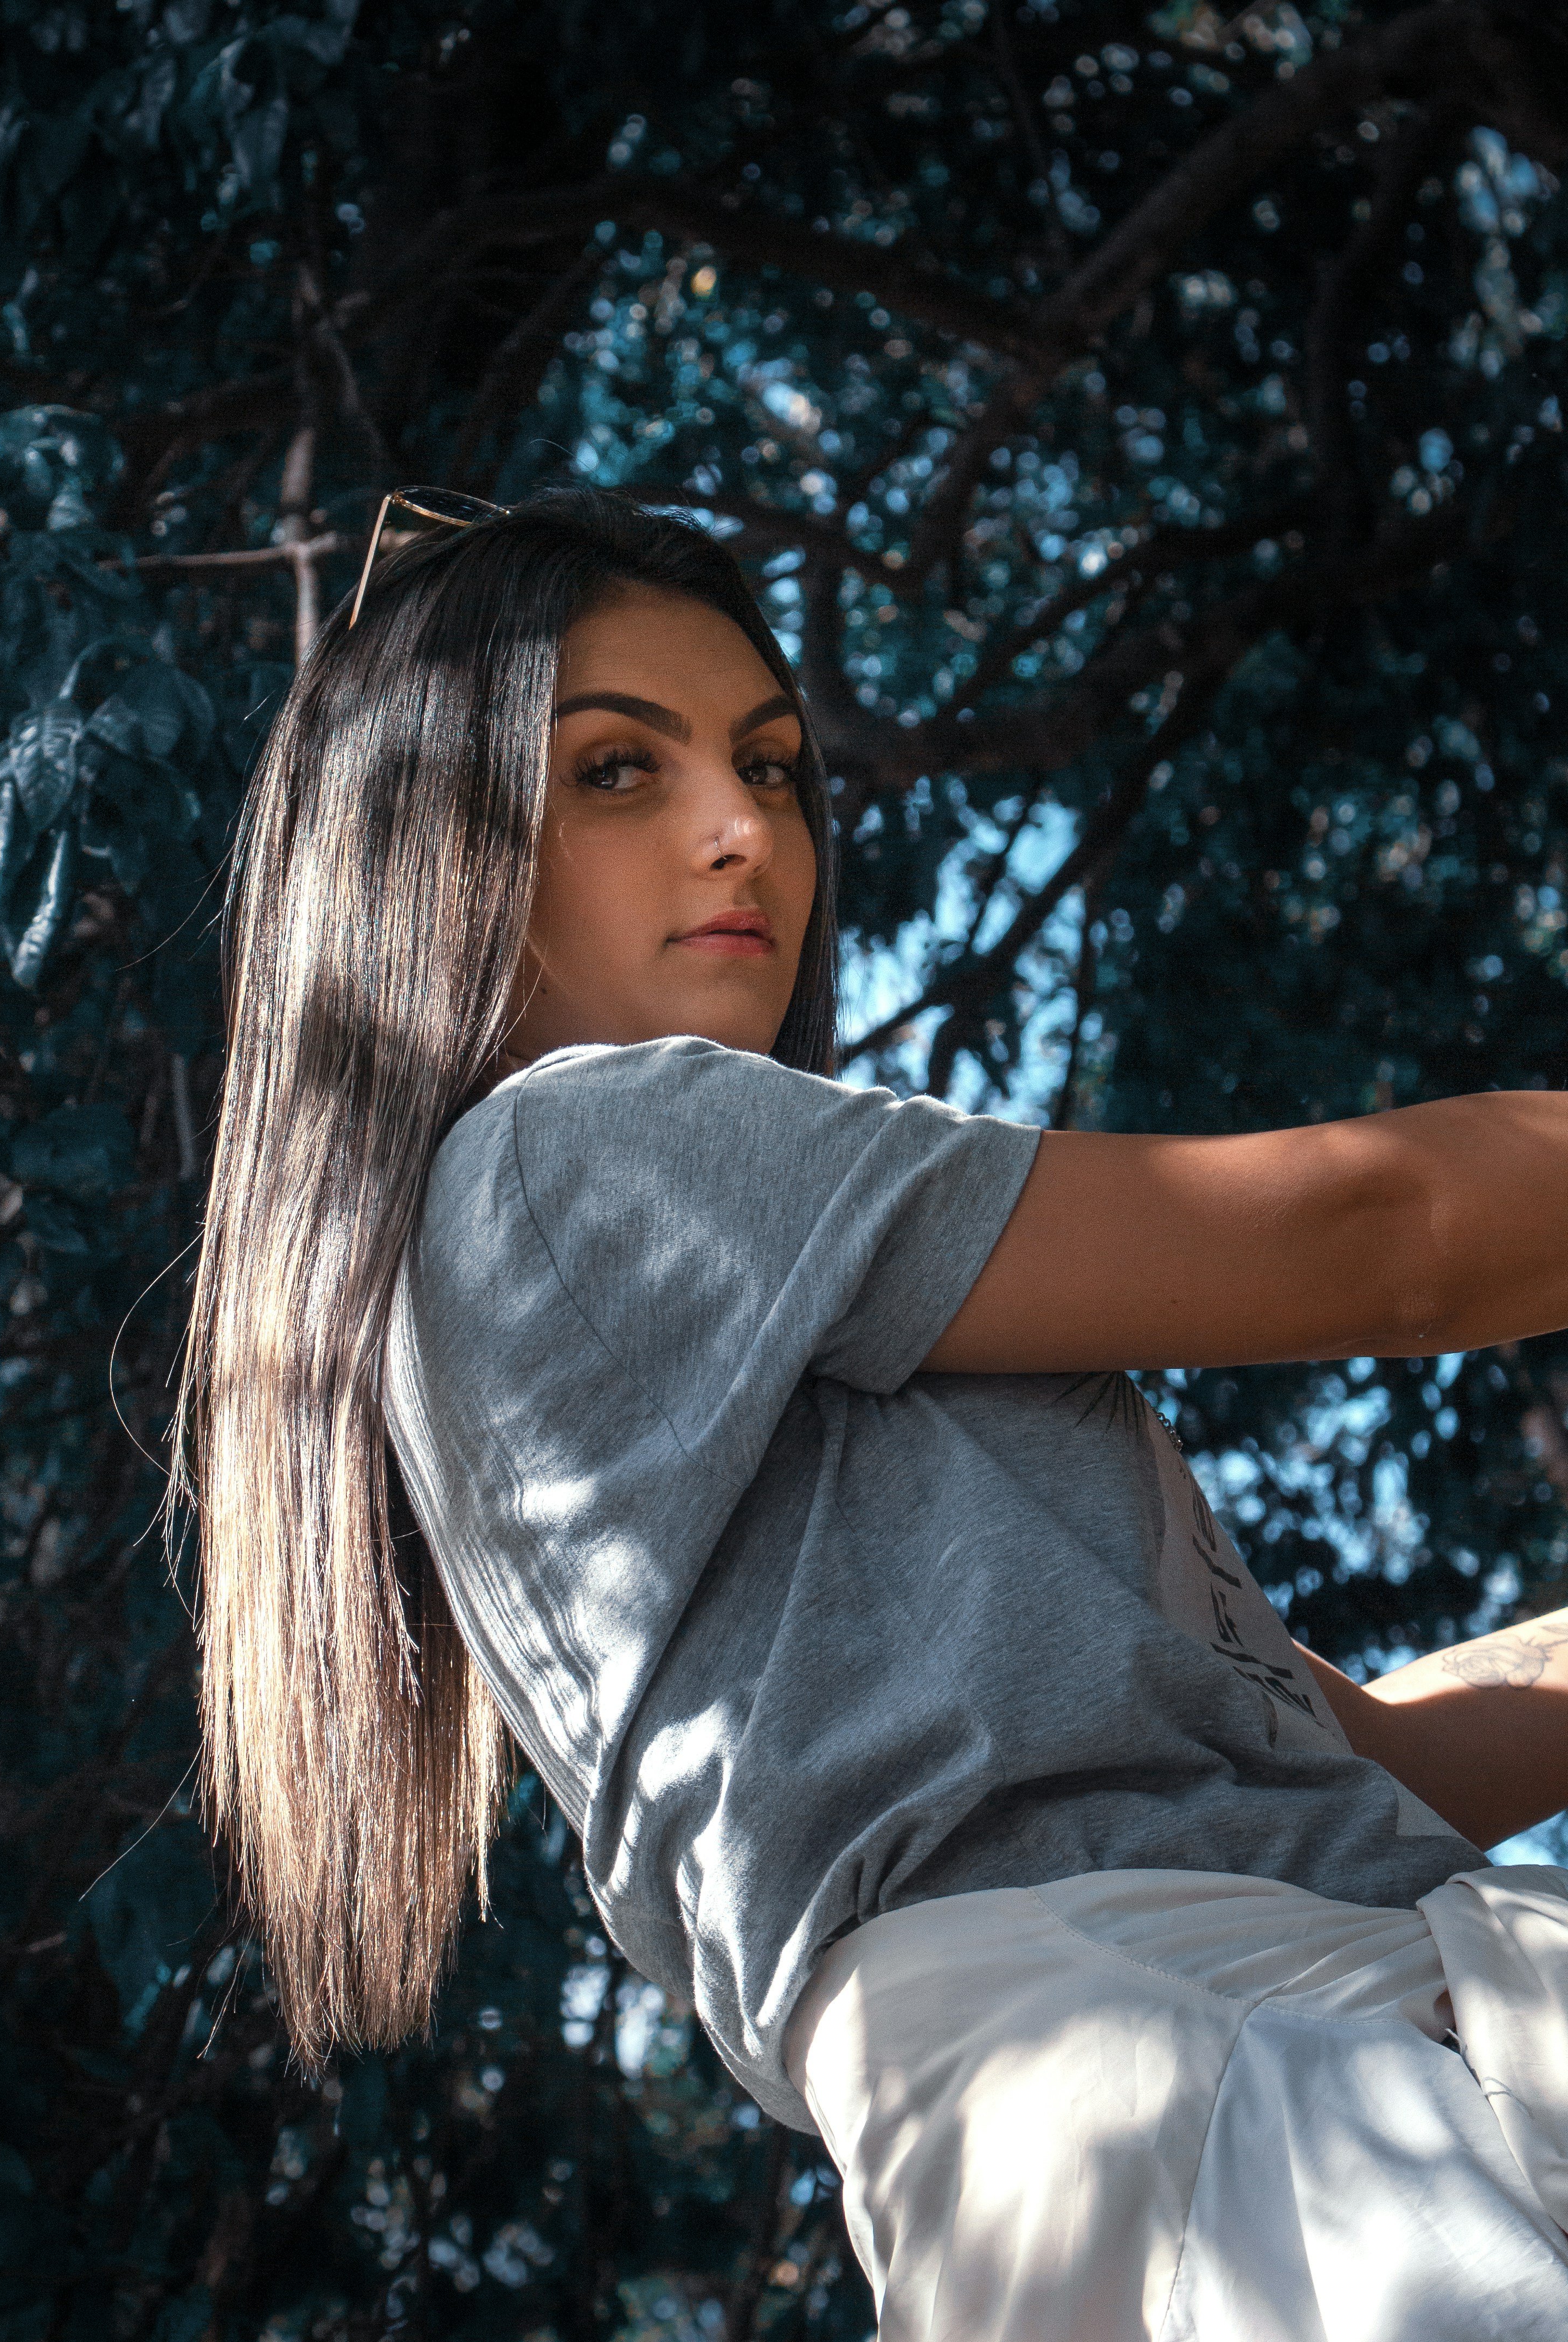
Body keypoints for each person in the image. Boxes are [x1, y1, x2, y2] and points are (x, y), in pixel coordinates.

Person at [173, 488, 1568, 2340]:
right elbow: (1382, 1241)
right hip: (1244, 2104)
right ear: (429, 845)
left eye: (770, 764)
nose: (743, 828)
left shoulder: (752, 1322)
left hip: (1257, 2084)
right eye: (614, 771)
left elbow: (1368, 1756)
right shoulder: (586, 1158)